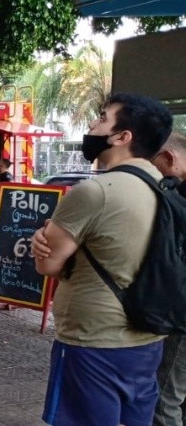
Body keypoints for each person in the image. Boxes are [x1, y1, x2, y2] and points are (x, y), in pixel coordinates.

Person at [30, 93, 173, 426]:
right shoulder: (163, 189)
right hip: (147, 340)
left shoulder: (94, 192)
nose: (92, 125)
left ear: (123, 137)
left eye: (102, 118)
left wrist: (42, 245)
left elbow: (47, 266)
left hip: (93, 342)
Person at [150, 132, 186, 426]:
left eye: (153, 165)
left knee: (164, 399)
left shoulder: (177, 196)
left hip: (181, 315)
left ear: (169, 159)